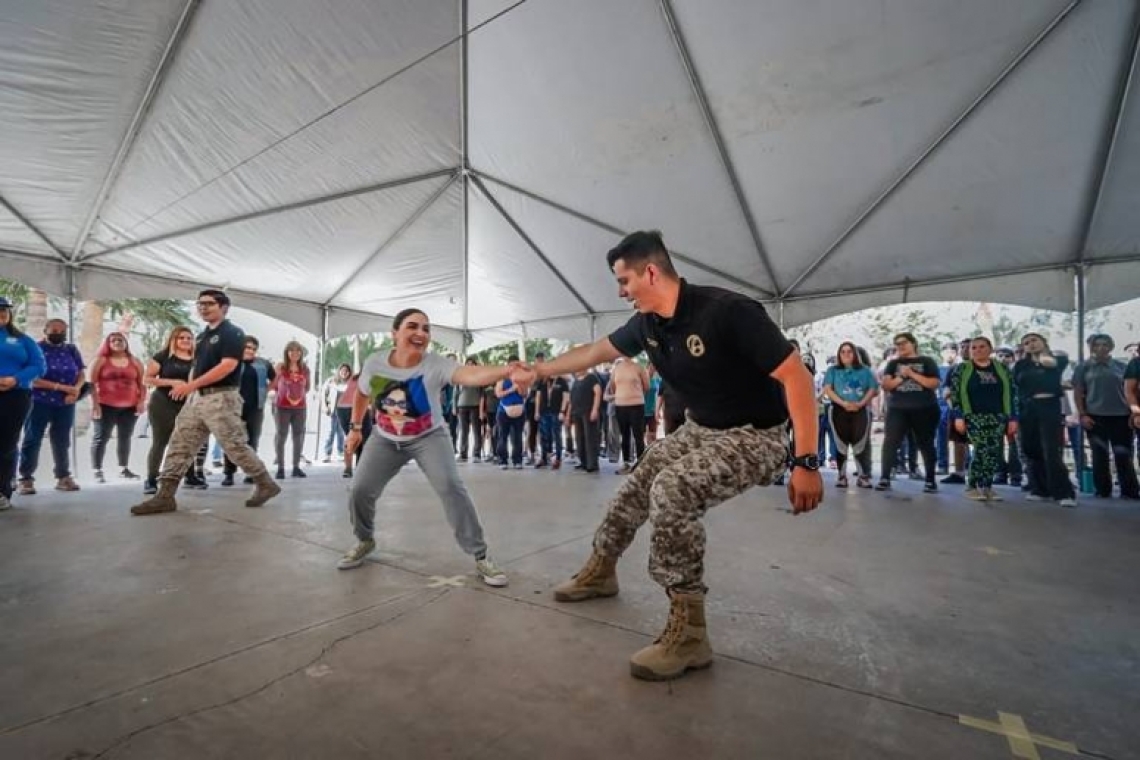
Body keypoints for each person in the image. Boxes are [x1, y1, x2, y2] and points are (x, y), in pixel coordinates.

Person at [511, 230, 822, 681]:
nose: (621, 292)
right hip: (702, 427)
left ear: (650, 272)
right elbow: (597, 350)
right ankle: (601, 570)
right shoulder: (649, 323)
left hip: (757, 435)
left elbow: (797, 378)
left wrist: (806, 462)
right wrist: (538, 370)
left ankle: (691, 634)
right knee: (637, 482)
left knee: (672, 491)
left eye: (624, 281)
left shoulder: (728, 312)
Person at [336, 308, 512, 587]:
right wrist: (356, 429)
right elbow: (361, 393)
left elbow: (472, 375)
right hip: (384, 438)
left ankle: (481, 555)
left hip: (428, 437)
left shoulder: (435, 364)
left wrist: (508, 369)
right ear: (395, 333)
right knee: (359, 489)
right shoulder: (375, 362)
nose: (421, 333)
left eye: (426, 329)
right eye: (413, 326)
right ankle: (365, 540)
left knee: (451, 487)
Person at [131, 290, 280, 515]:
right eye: (200, 304)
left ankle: (265, 482)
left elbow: (228, 365)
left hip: (222, 397)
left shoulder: (232, 333)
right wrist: (191, 390)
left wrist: (189, 386)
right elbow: (196, 367)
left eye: (209, 304)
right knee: (180, 444)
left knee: (234, 445)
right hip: (197, 399)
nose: (203, 308)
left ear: (224, 307)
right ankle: (165, 495)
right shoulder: (201, 337)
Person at [18, 319, 85, 495]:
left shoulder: (71, 349)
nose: (58, 333)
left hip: (66, 403)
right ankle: (25, 478)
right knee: (33, 439)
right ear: (45, 330)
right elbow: (32, 378)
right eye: (54, 330)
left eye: (62, 331)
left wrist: (75, 390)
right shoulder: (35, 349)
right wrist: (62, 388)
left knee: (62, 440)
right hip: (39, 401)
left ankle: (63, 476)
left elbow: (81, 373)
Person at [948, 338, 1018, 502]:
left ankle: (987, 486)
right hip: (973, 416)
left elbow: (1012, 393)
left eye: (982, 347)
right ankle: (972, 485)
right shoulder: (963, 368)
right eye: (974, 348)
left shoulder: (1001, 369)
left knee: (994, 452)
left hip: (998, 416)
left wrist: (1013, 418)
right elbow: (956, 393)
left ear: (990, 349)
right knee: (981, 449)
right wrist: (958, 416)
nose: (977, 350)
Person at [1013, 333, 1077, 507]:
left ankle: (1064, 493)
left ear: (1043, 341)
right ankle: (1040, 489)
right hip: (1028, 408)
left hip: (1049, 406)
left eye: (1034, 340)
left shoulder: (1057, 359)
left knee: (1051, 450)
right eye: (1026, 343)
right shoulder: (1020, 365)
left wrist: (1042, 355)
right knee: (1031, 449)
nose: (1030, 344)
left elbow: (1053, 366)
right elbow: (1017, 386)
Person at [1072, 333, 1138, 499]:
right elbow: (1078, 392)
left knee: (1123, 454)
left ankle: (1129, 490)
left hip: (1121, 416)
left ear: (1110, 347)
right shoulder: (1083, 367)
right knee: (1099, 454)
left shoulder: (1121, 366)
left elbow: (1131, 389)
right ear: (1092, 347)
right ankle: (1103, 489)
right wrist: (1082, 414)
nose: (1101, 348)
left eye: (1105, 345)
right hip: (1095, 416)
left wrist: (1133, 412)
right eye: (1097, 345)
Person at [876, 332, 942, 493]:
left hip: (924, 408)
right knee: (891, 442)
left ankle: (930, 480)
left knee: (925, 443)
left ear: (913, 343)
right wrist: (901, 377)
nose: (900, 346)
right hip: (898, 408)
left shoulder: (927, 361)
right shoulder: (893, 364)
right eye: (897, 344)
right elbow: (886, 385)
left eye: (904, 342)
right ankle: (885, 477)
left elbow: (933, 383)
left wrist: (912, 374)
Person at [0, 297, 46, 511]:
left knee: (7, 444)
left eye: (5, 310)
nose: (2, 313)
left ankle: (3, 492)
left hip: (16, 397)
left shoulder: (22, 340)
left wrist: (15, 379)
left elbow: (39, 366)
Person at [141, 326, 196, 495]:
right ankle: (151, 479)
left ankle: (190, 475)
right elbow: (146, 379)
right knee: (160, 441)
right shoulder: (163, 357)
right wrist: (172, 382)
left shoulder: (198, 359)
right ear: (174, 339)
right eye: (181, 338)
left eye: (189, 337)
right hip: (163, 403)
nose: (186, 341)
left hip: (188, 404)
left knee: (188, 441)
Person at [89, 332, 146, 483]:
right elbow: (91, 384)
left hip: (130, 407)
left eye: (120, 340)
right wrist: (95, 404)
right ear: (107, 343)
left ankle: (123, 469)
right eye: (113, 340)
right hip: (105, 405)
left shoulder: (134, 361)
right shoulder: (101, 360)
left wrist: (141, 401)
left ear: (126, 342)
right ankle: (97, 470)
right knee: (101, 437)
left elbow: (143, 383)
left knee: (125, 437)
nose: (117, 342)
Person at [822, 341, 878, 489]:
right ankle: (841, 476)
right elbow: (828, 389)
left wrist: (860, 404)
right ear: (839, 355)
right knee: (841, 445)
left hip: (860, 411)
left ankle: (863, 476)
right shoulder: (833, 371)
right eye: (843, 352)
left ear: (855, 354)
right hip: (839, 410)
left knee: (860, 444)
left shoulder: (865, 371)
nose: (846, 354)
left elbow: (873, 389)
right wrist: (843, 403)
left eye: (849, 351)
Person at [222, 336, 276, 486]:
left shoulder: (263, 364)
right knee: (232, 440)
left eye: (253, 348)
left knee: (253, 440)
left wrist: (267, 389)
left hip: (255, 407)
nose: (250, 351)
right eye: (247, 347)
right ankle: (229, 473)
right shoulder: (232, 362)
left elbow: (275, 378)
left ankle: (251, 473)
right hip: (233, 407)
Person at [272, 341, 311, 479]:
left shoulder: (305, 369)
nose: (295, 353)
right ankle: (280, 468)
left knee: (298, 436)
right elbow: (273, 386)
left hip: (300, 408)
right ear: (286, 352)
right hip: (282, 407)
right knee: (281, 435)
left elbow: (307, 388)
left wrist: (296, 394)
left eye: (298, 350)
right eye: (291, 350)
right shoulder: (280, 367)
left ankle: (296, 467)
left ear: (301, 353)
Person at [494, 356, 526, 470]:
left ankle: (517, 460)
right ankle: (503, 460)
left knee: (517, 436)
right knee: (503, 436)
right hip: (504, 411)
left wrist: (519, 387)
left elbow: (524, 394)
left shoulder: (522, 378)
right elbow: (498, 394)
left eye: (517, 365)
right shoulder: (502, 378)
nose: (514, 367)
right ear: (508, 366)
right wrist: (511, 389)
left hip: (519, 411)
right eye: (512, 365)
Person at [321, 364, 350, 462]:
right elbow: (323, 394)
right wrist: (325, 407)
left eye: (346, 371)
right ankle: (327, 453)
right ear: (339, 371)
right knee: (331, 432)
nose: (344, 373)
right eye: (342, 370)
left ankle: (340, 452)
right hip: (333, 411)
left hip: (344, 412)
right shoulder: (331, 381)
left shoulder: (350, 383)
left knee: (341, 433)